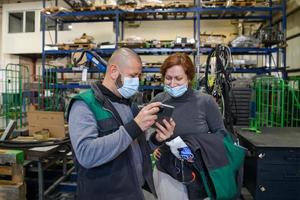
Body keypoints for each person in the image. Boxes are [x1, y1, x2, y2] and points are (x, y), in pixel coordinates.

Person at [67, 48, 175, 200]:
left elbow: (136, 149)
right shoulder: (85, 105)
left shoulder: (129, 105)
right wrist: (134, 127)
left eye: (138, 76)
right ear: (113, 71)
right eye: (132, 75)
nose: (136, 81)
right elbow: (86, 154)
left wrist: (156, 140)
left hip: (134, 191)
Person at [151, 53, 226, 200]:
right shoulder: (159, 101)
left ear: (189, 78)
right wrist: (155, 144)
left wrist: (195, 147)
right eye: (168, 78)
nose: (172, 84)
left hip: (198, 171)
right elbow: (147, 132)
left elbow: (221, 134)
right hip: (167, 170)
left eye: (178, 79)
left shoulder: (205, 102)